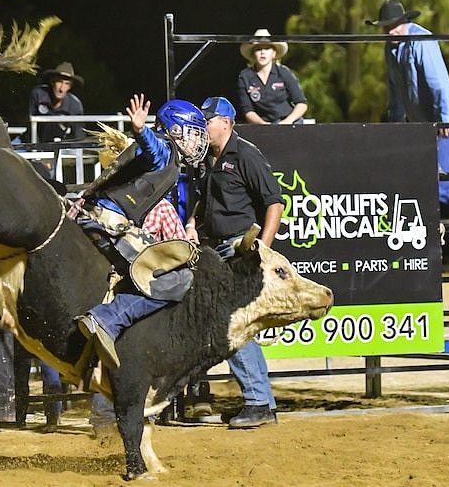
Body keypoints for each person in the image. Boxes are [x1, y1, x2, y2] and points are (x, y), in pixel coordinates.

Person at [73, 94, 208, 370]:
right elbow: (152, 147)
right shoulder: (165, 152)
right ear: (176, 130)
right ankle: (106, 320)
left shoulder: (168, 161)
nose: (198, 142)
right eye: (194, 134)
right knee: (177, 279)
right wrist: (140, 129)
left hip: (104, 218)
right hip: (109, 223)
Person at [185, 96, 283, 429]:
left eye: (207, 120)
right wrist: (191, 222)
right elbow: (204, 201)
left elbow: (274, 202)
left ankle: (258, 402)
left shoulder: (246, 155)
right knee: (234, 326)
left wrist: (262, 250)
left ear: (225, 123)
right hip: (214, 252)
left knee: (234, 326)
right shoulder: (204, 159)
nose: (201, 127)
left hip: (238, 251)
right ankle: (262, 402)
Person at [366, 0, 449, 264]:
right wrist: (395, 127)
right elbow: (395, 92)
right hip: (424, 125)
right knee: (421, 182)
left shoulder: (422, 40)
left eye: (394, 26)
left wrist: (445, 119)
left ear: (404, 23)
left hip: (447, 120)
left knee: (444, 183)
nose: (390, 32)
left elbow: (437, 82)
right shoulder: (392, 49)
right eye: (385, 27)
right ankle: (434, 244)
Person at [236, 28, 308, 125]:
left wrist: (287, 122)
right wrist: (264, 125)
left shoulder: (284, 72)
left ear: (274, 53)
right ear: (253, 54)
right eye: (258, 49)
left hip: (291, 123)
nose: (262, 52)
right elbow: (247, 110)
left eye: (267, 48)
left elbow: (301, 103)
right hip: (262, 126)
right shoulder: (245, 77)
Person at [29, 62, 86, 143]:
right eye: (59, 82)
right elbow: (30, 124)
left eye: (66, 84)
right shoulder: (38, 94)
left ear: (70, 87)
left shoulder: (75, 105)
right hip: (33, 142)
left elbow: (79, 134)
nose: (61, 88)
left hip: (60, 146)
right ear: (52, 81)